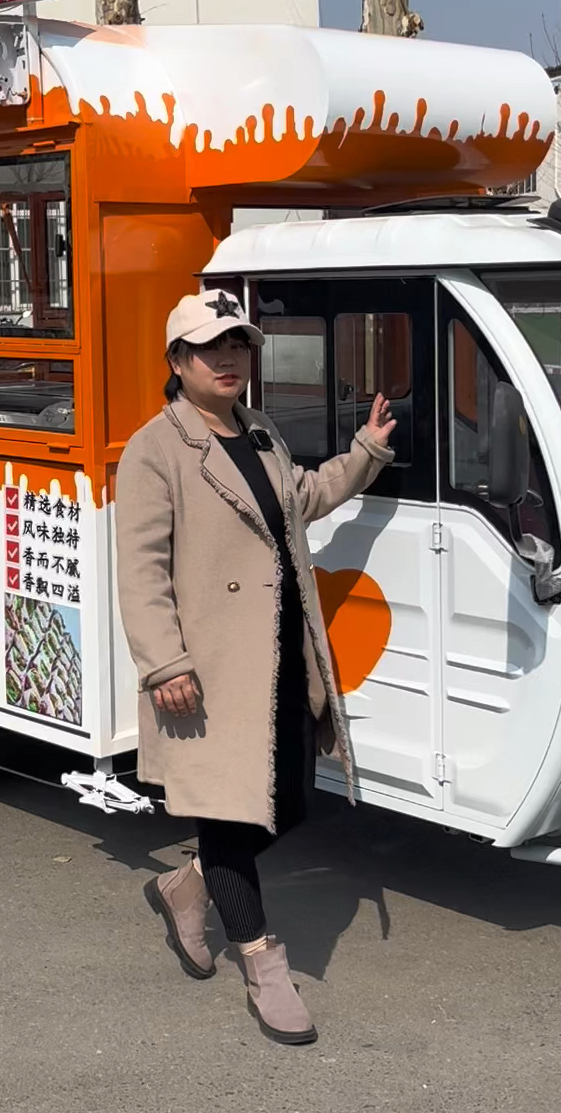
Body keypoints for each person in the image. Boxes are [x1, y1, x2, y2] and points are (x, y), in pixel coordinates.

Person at [115, 289, 396, 1045]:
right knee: (233, 821)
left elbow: (302, 500)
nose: (230, 358)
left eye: (239, 344)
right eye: (212, 348)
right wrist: (163, 662)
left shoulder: (262, 434)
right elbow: (140, 570)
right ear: (178, 362)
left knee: (292, 803)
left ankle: (187, 886)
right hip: (205, 675)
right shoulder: (156, 449)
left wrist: (366, 450)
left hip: (280, 661)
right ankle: (264, 966)